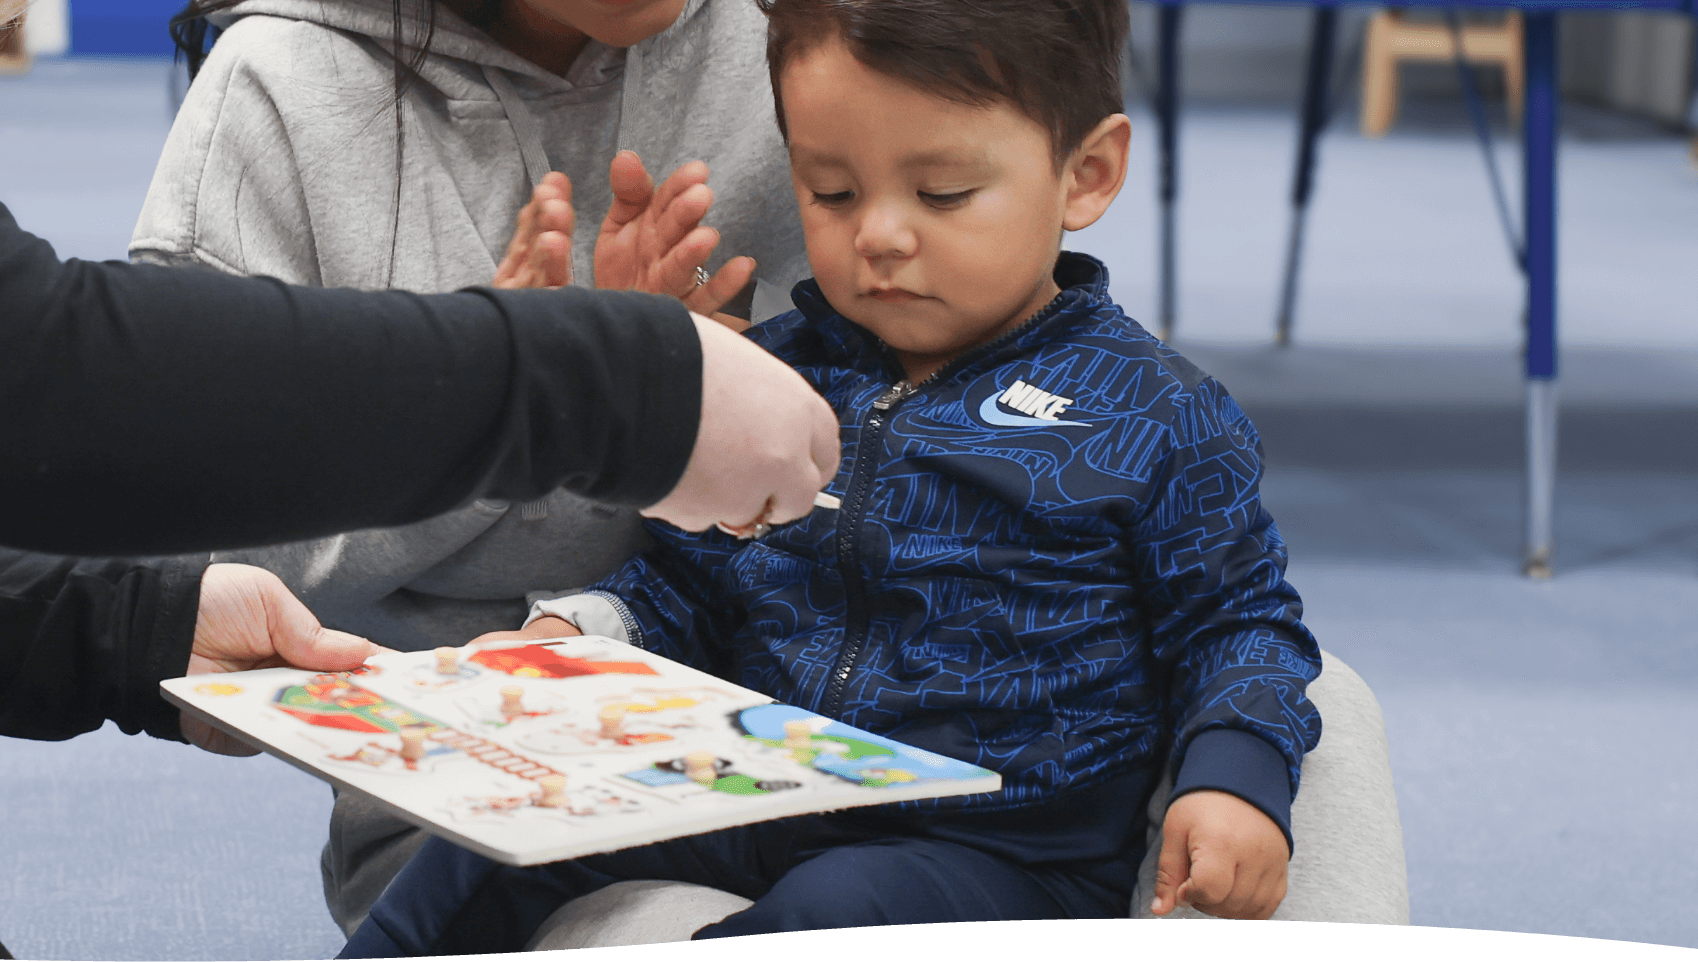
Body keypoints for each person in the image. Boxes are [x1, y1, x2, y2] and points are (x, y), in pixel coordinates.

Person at [0, 0, 838, 954]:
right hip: (508, 812)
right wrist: (604, 388)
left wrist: (133, 629)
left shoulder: (810, 51)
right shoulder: (283, 89)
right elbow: (20, 381)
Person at [339, 0, 1324, 950]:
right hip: (760, 781)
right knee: (509, 829)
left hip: (992, 847)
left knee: (838, 900)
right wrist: (584, 630)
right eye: (833, 191)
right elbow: (691, 574)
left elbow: (1239, 621)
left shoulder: (1155, 412)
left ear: (1086, 172)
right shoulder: (771, 374)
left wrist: (1235, 777)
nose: (880, 235)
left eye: (941, 193)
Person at [137, 0, 810, 932]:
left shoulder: (796, 48)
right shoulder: (281, 88)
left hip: (826, 746)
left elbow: (955, 426)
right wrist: (497, 412)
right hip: (485, 813)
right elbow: (206, 570)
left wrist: (737, 391)